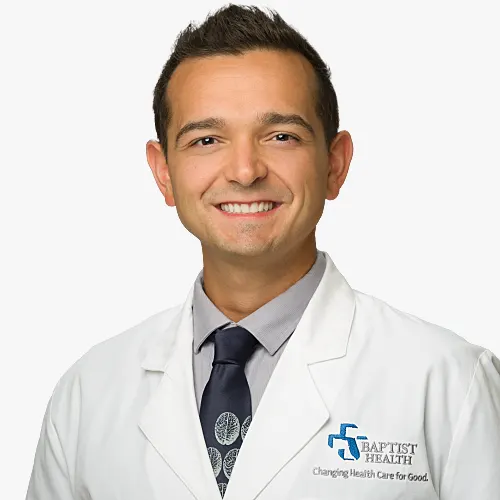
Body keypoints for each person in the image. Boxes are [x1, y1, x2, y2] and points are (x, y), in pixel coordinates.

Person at [26, 4, 500, 500]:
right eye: (206, 140)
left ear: (335, 164)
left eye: (281, 137)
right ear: (163, 172)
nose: (245, 170)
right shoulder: (88, 393)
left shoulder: (447, 383)